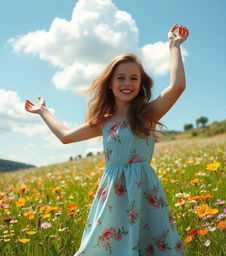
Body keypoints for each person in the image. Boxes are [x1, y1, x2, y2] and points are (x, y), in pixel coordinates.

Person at [25, 24, 189, 256]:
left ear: (141, 84)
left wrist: (173, 46)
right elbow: (65, 136)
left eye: (134, 78)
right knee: (108, 246)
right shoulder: (103, 122)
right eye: (120, 78)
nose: (127, 83)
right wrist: (43, 111)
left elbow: (177, 86)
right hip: (113, 194)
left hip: (144, 190)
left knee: (151, 244)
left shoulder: (148, 114)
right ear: (110, 84)